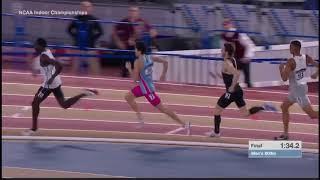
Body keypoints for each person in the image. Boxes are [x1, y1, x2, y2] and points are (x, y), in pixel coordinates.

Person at [21, 38, 98, 136]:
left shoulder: (44, 56)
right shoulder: (45, 52)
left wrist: (51, 78)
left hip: (49, 84)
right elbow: (37, 72)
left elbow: (59, 65)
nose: (34, 47)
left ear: (41, 46)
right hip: (55, 82)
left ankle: (33, 129)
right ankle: (84, 93)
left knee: (35, 102)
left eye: (36, 45)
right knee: (64, 105)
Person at [206, 43, 276, 137]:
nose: (220, 51)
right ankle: (264, 107)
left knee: (217, 110)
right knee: (245, 113)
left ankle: (216, 132)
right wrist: (216, 76)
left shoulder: (227, 63)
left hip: (232, 92)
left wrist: (231, 88)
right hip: (237, 91)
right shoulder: (232, 59)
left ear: (226, 52)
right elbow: (229, 76)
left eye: (222, 49)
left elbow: (236, 74)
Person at [124, 41, 190, 134]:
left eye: (135, 49)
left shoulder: (137, 62)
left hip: (147, 90)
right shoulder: (150, 57)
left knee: (163, 109)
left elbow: (135, 79)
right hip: (146, 86)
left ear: (139, 51)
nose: (134, 51)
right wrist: (163, 74)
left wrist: (129, 68)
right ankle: (140, 119)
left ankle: (184, 124)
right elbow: (165, 62)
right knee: (128, 96)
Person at [275, 40, 319, 140]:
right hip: (297, 90)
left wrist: (281, 69)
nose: (289, 48)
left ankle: (286, 134)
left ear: (295, 48)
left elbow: (284, 78)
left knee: (312, 115)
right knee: (284, 107)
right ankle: (285, 134)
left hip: (298, 92)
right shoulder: (306, 57)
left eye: (291, 47)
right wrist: (316, 74)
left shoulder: (291, 61)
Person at [112, 6, 157, 77]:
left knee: (137, 68)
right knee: (125, 68)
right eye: (131, 11)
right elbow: (114, 30)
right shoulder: (124, 21)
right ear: (129, 12)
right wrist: (118, 42)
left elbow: (153, 32)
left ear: (138, 12)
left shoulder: (142, 21)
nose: (133, 12)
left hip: (137, 48)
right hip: (126, 47)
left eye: (135, 11)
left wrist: (150, 34)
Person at [67, 1, 103, 75]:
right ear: (81, 8)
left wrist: (92, 38)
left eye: (88, 6)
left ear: (91, 8)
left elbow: (100, 32)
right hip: (78, 47)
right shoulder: (76, 18)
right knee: (74, 70)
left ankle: (95, 85)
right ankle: (73, 85)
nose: (86, 8)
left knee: (95, 71)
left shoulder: (94, 19)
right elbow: (69, 29)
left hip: (90, 47)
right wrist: (76, 37)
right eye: (84, 6)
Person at [221, 19, 255, 88]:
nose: (226, 26)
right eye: (224, 25)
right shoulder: (223, 36)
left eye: (227, 24)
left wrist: (247, 56)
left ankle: (250, 89)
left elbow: (250, 44)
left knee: (247, 79)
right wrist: (224, 55)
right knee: (230, 75)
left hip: (243, 57)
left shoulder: (239, 34)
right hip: (234, 58)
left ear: (231, 24)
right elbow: (223, 47)